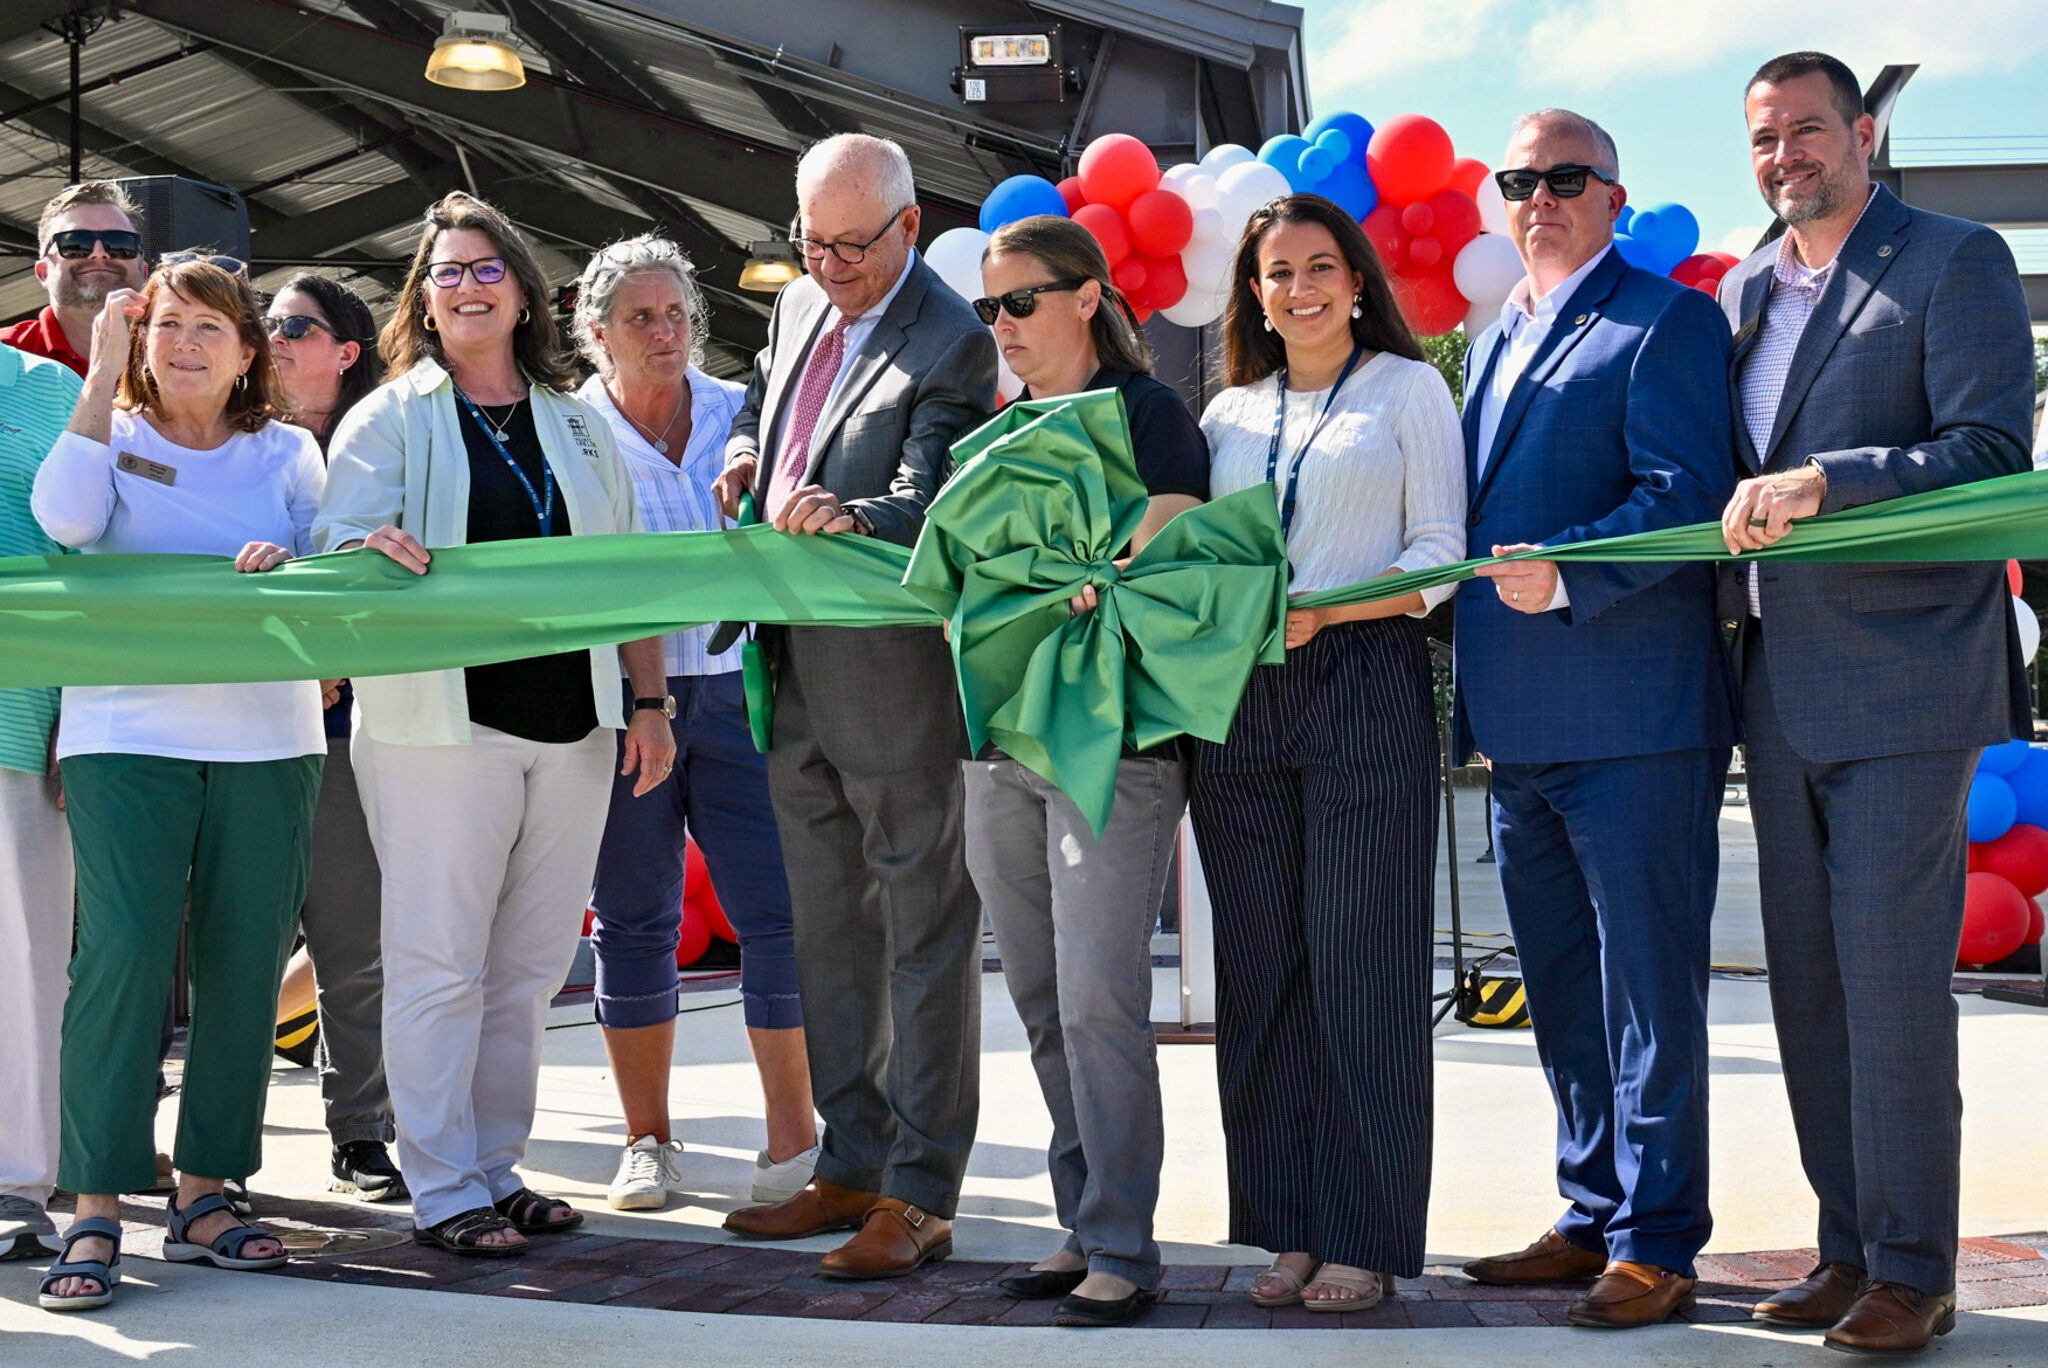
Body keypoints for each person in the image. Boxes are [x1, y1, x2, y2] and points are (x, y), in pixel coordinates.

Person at [1717, 53, 2034, 1354]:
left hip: (1909, 681)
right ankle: (1846, 1245)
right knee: (1808, 989)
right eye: (1762, 138)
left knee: (1893, 987)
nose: (1784, 154)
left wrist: (1824, 481)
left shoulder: (1954, 261)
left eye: (1805, 130)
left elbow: (1988, 452)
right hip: (1777, 688)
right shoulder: (1741, 289)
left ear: (1860, 133)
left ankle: (1916, 1269)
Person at [316, 192, 676, 1258]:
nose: (465, 287)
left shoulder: (577, 423)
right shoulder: (385, 417)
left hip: (573, 728)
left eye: (484, 269)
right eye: (444, 273)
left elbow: (627, 585)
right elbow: (340, 552)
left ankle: (495, 1163)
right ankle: (437, 1185)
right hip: (438, 730)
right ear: (422, 301)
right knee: (436, 960)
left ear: (522, 291)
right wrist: (367, 549)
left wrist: (648, 703)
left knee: (525, 967)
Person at [1453, 111, 1738, 1329]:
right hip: (1517, 725)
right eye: (1518, 179)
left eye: (1565, 178)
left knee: (1646, 997)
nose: (1539, 196)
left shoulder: (1665, 319)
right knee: (1566, 991)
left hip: (1633, 719)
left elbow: (1685, 494)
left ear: (1614, 196)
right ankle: (1588, 1215)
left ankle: (1659, 1240)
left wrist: (1565, 568)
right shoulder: (1489, 337)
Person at [712, 133, 998, 1279]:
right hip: (787, 668)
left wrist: (859, 514)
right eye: (809, 242)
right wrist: (742, 457)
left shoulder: (955, 339)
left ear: (909, 225)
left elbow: (937, 491)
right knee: (826, 930)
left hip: (889, 677)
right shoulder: (793, 313)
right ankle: (850, 1163)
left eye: (850, 245)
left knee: (923, 934)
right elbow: (754, 408)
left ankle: (921, 1195)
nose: (826, 265)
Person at [31, 259, 327, 1310]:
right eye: (165, 325)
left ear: (250, 350)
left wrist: (288, 567)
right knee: (120, 962)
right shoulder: (113, 434)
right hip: (126, 735)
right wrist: (99, 370)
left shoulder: (290, 451)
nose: (186, 343)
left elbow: (328, 571)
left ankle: (208, 1193)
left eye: (210, 326)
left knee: (245, 966)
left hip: (271, 740)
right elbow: (64, 522)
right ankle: (98, 1205)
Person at [1190, 193, 1464, 1312]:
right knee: (1262, 973)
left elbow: (1441, 555)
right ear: (1251, 293)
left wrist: (1330, 612)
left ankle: (1363, 1231)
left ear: (1357, 281)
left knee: (1361, 971)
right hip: (1238, 698)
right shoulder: (1222, 416)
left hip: (1364, 684)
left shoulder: (1408, 389)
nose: (1296, 288)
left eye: (1317, 268)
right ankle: (1284, 1225)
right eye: (1275, 273)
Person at [965, 216, 1207, 1327]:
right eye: (987, 308)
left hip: (1111, 746)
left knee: (1102, 999)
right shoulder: (994, 426)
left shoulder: (1151, 414)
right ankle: (1082, 1223)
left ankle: (1123, 1242)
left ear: (1085, 297)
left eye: (1021, 302)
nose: (1003, 325)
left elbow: (1171, 535)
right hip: (997, 746)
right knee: (1038, 997)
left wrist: (1096, 563)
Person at [569, 235, 818, 1212]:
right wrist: (642, 706)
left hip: (742, 688)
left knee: (778, 917)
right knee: (633, 920)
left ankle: (794, 1142)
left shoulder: (738, 413)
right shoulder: (572, 432)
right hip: (619, 706)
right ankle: (646, 1144)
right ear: (597, 334)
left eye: (675, 314)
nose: (663, 332)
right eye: (640, 317)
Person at [263, 273, 406, 1203]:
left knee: (356, 947)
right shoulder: (233, 441)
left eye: (292, 326)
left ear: (345, 350)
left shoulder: (389, 445)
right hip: (243, 721)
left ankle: (361, 1135)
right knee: (232, 942)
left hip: (356, 723)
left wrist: (341, 669)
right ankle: (203, 1147)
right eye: (263, 324)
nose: (270, 338)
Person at [0, 341, 83, 1264]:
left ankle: (16, 1185)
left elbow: (82, 548)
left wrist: (75, 703)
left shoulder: (49, 388)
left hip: (19, 716)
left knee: (24, 966)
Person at [1, 181, 149, 376]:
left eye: (119, 243)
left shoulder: (181, 357)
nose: (99, 253)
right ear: (43, 273)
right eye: (76, 243)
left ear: (145, 272)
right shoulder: (6, 352)